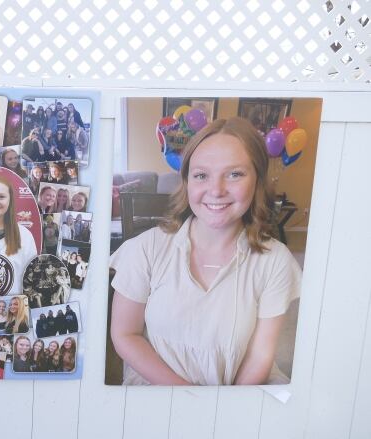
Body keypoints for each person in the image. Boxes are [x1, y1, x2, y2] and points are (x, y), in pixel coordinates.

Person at [109, 117, 302, 386]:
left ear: (257, 180)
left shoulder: (275, 261)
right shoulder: (146, 249)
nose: (216, 190)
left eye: (235, 174)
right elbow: (125, 335)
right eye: (201, 175)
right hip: (157, 390)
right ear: (187, 181)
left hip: (237, 396)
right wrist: (189, 399)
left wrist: (220, 413)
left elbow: (260, 356)